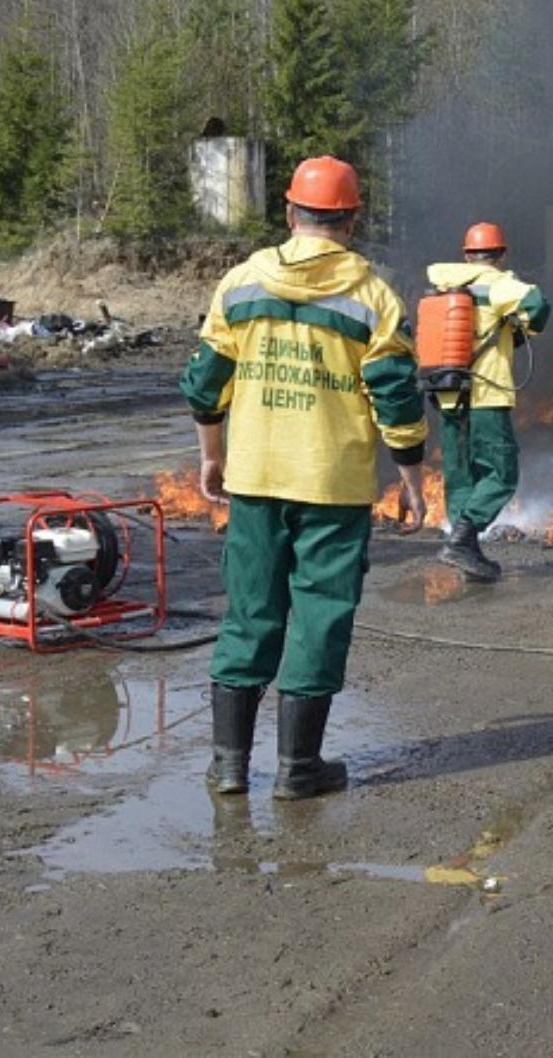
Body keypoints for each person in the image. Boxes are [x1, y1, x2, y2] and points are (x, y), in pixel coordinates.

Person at [180, 156, 428, 801]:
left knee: (250, 613)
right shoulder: (374, 297)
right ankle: (298, 769)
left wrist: (212, 454)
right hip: (333, 486)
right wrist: (411, 474)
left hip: (257, 479)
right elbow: (396, 397)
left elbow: (206, 383)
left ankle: (229, 765)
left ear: (291, 213)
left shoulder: (240, 283)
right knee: (320, 618)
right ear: (351, 220)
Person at [425, 221, 551, 582]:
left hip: (447, 393)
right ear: (502, 254)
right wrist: (522, 325)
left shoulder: (443, 285)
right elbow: (537, 305)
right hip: (485, 394)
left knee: (461, 473)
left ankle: (465, 548)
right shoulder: (499, 284)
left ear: (466, 254)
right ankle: (462, 540)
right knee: (501, 473)